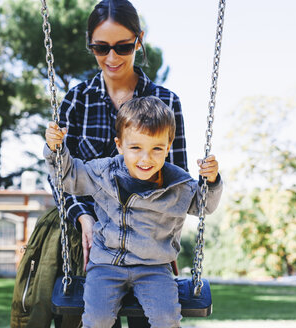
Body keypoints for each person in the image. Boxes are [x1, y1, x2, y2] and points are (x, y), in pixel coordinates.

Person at [47, 0, 189, 327]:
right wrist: (83, 217)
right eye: (100, 47)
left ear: (139, 41)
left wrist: (163, 242)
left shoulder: (166, 102)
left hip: (148, 240)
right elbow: (62, 175)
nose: (111, 58)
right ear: (90, 45)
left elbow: (177, 180)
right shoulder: (76, 101)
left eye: (123, 47)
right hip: (86, 243)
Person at [45, 96, 222, 327]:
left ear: (168, 147)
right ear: (120, 145)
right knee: (97, 319)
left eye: (157, 148)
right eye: (136, 147)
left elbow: (204, 205)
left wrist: (211, 180)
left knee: (166, 318)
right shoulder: (103, 173)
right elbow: (67, 178)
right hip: (105, 265)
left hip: (154, 268)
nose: (145, 158)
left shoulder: (178, 185)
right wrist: (55, 148)